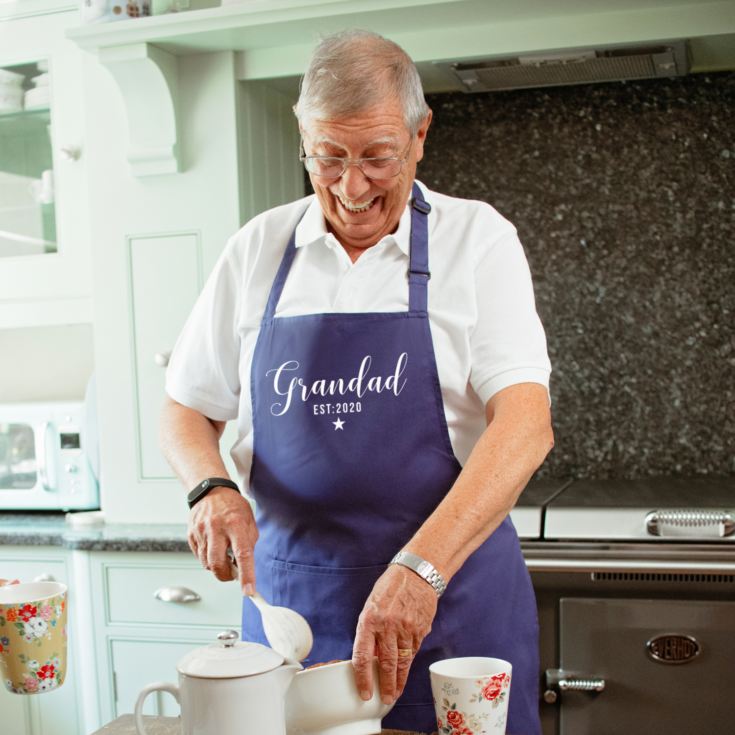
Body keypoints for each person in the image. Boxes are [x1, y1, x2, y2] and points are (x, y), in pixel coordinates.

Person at [160, 29, 553, 734]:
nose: (350, 186)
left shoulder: (478, 240)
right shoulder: (257, 249)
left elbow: (524, 425)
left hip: (448, 611)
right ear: (302, 138)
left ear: (420, 134)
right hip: (291, 624)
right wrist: (208, 485)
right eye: (328, 157)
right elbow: (186, 406)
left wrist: (420, 573)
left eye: (376, 157)